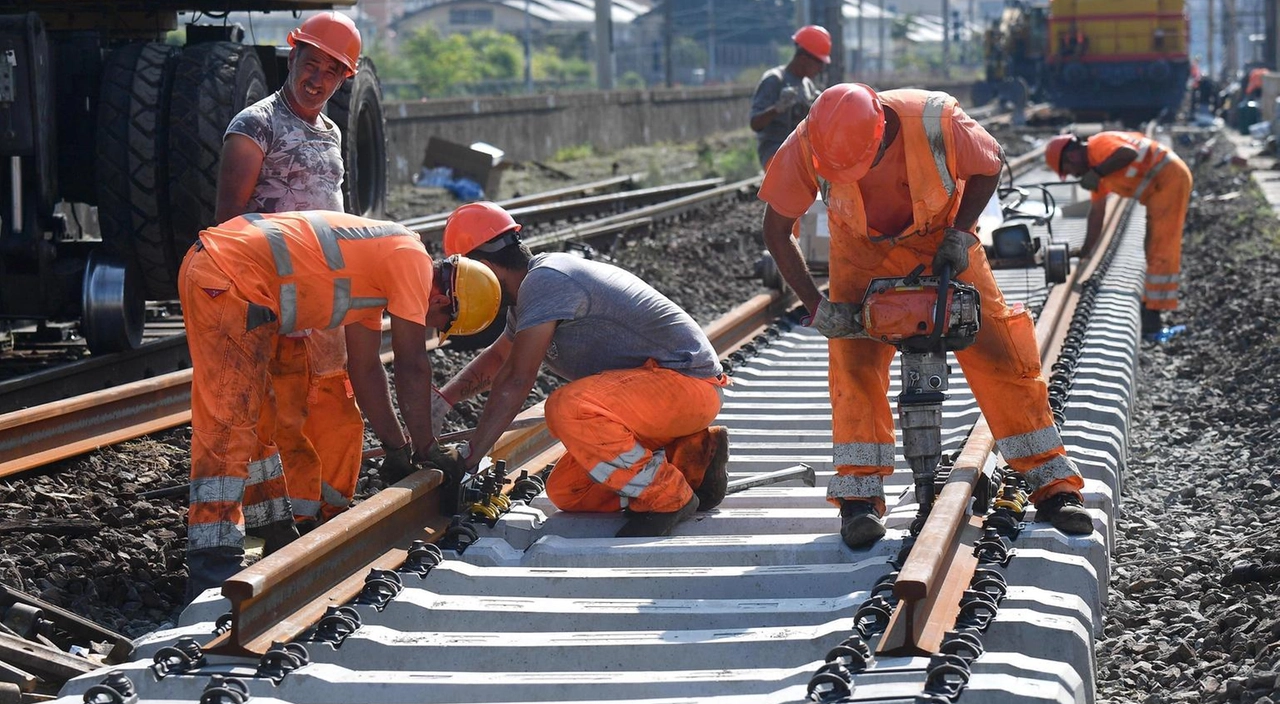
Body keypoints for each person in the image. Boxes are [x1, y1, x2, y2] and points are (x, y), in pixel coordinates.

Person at [758, 83, 1093, 549]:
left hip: (943, 242)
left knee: (999, 350)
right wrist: (818, 308)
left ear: (882, 130)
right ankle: (859, 498)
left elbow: (990, 163)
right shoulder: (809, 142)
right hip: (861, 254)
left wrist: (960, 234)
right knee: (854, 366)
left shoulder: (936, 119)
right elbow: (776, 229)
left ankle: (1053, 485)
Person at [179, 210, 501, 597]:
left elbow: (365, 370)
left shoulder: (378, 273)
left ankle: (271, 526)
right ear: (444, 297)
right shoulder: (409, 259)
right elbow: (412, 364)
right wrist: (427, 448)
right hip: (228, 274)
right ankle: (212, 566)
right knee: (229, 423)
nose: (429, 325)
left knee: (261, 415)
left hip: (236, 274)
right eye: (438, 321)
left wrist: (397, 449)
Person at [431, 201, 732, 537]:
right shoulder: (529, 298)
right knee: (569, 489)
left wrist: (469, 459)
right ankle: (692, 461)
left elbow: (516, 379)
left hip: (687, 385)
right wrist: (444, 400)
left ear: (483, 268)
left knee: (567, 407)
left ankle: (667, 497)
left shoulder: (546, 281)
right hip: (658, 401)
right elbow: (499, 358)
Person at [212, 11, 364, 544]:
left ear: (346, 77)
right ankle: (277, 526)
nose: (317, 78)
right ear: (292, 56)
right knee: (278, 416)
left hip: (325, 302)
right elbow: (227, 224)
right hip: (273, 298)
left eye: (332, 71)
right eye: (311, 63)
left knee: (331, 405)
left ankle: (326, 511)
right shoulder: (254, 126)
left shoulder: (331, 131)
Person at [1044, 132, 1192, 336]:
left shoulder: (1099, 146)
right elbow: (1097, 213)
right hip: (1159, 188)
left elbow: (1127, 153)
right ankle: (1150, 309)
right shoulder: (1096, 170)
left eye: (1068, 170)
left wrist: (1097, 172)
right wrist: (1086, 251)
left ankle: (1153, 323)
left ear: (1070, 156)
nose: (1074, 175)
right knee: (1152, 246)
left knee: (1161, 248)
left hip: (1169, 179)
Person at [749, 25, 830, 168]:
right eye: (819, 63)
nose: (821, 70)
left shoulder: (808, 86)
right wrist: (777, 108)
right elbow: (755, 123)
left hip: (800, 153)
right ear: (804, 58)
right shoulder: (774, 80)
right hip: (775, 152)